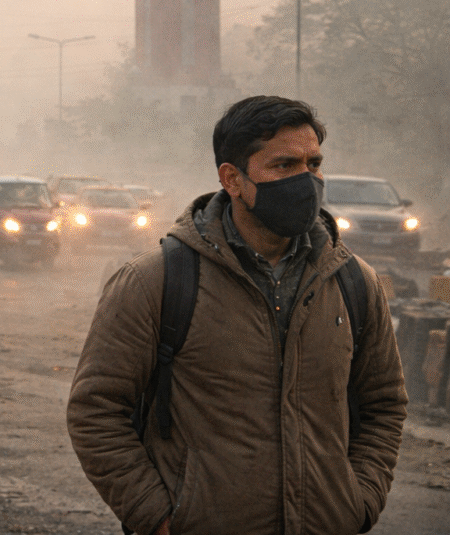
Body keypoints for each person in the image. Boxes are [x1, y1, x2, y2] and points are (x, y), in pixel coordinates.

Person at [67, 96, 406, 535]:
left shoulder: (354, 283)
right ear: (232, 179)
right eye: (284, 165)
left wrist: (358, 502)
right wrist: (160, 518)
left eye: (314, 163)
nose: (305, 181)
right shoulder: (156, 280)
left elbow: (384, 405)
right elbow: (95, 410)